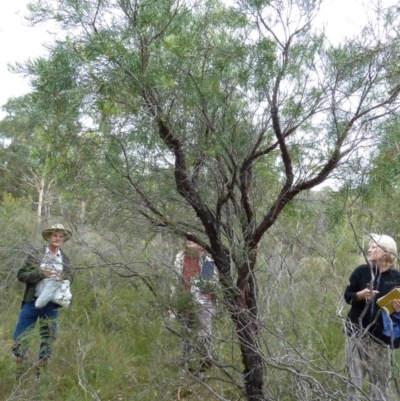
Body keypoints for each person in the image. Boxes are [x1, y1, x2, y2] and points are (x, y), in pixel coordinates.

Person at [12, 223, 73, 379]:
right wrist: (40, 273)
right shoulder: (36, 255)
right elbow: (21, 275)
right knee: (21, 336)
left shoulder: (65, 259)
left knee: (48, 337)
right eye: (54, 235)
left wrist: (63, 278)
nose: (57, 238)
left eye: (60, 236)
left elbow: (70, 277)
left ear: (63, 239)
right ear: (48, 237)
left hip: (51, 306)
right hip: (31, 302)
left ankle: (40, 373)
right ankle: (19, 372)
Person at [344, 234, 400, 401]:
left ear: (386, 252)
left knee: (381, 384)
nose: (369, 249)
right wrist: (359, 295)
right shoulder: (361, 271)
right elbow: (348, 296)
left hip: (382, 339)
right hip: (356, 334)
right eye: (370, 246)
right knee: (354, 382)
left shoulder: (396, 277)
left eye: (374, 246)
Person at [173, 239, 215, 373]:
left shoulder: (206, 259)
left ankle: (205, 360)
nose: (189, 244)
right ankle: (185, 362)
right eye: (187, 241)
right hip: (185, 300)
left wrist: (202, 289)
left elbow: (210, 281)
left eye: (192, 241)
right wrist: (173, 302)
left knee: (204, 334)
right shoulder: (180, 257)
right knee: (186, 332)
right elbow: (175, 281)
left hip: (203, 302)